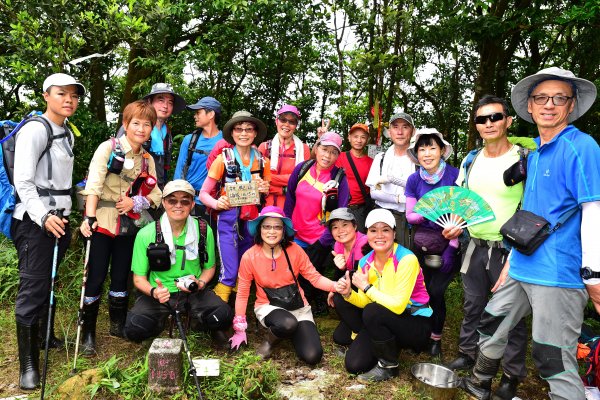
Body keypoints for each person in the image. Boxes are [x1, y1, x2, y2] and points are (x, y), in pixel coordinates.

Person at [461, 67, 600, 400]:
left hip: (558, 272)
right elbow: (531, 216)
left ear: (571, 105)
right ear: (531, 105)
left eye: (559, 98)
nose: (549, 104)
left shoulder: (582, 148)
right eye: (541, 97)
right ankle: (480, 382)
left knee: (552, 358)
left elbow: (593, 212)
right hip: (522, 264)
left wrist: (594, 277)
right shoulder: (535, 153)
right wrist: (511, 259)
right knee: (491, 325)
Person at [444, 95, 528, 400]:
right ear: (476, 125)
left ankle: (511, 373)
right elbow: (465, 201)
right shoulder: (471, 159)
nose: (489, 123)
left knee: (511, 314)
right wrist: (457, 224)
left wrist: (518, 252)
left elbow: (532, 205)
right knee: (473, 305)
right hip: (474, 244)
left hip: (509, 249)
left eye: (495, 117)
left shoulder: (524, 157)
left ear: (507, 120)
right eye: (482, 119)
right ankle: (468, 354)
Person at [12, 73, 85, 390]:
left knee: (49, 281)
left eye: (73, 95)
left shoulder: (66, 131)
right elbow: (24, 183)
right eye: (61, 94)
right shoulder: (35, 130)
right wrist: (42, 217)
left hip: (60, 218)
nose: (69, 99)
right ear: (46, 96)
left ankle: (45, 336)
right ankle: (27, 366)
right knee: (33, 287)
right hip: (35, 223)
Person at [79, 100, 163, 355]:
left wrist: (137, 201)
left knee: (120, 274)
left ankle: (117, 324)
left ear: (152, 129)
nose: (141, 128)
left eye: (147, 124)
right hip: (102, 221)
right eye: (136, 123)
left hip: (129, 225)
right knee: (94, 277)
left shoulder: (147, 159)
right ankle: (88, 333)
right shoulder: (108, 148)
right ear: (125, 124)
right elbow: (93, 185)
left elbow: (157, 195)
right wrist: (88, 218)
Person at [123, 180, 232, 344]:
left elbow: (210, 268)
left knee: (224, 315)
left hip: (193, 292)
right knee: (133, 329)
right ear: (164, 203)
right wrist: (154, 292)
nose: (178, 205)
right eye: (172, 200)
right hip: (160, 293)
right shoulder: (146, 234)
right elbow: (138, 279)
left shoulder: (203, 229)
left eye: (185, 201)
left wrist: (200, 283)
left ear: (192, 204)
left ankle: (198, 321)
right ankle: (160, 322)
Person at [229, 206, 338, 364]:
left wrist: (336, 286)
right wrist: (239, 326)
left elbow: (314, 278)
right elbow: (243, 292)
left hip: (298, 307)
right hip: (268, 306)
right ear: (260, 229)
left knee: (313, 356)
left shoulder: (296, 251)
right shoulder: (249, 256)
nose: (271, 231)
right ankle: (269, 341)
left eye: (277, 227)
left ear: (283, 231)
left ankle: (290, 332)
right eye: (267, 226)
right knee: (287, 323)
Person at [334, 208, 432, 382]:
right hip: (386, 318)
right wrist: (348, 293)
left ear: (394, 233)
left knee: (373, 311)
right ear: (367, 234)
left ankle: (389, 366)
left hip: (414, 322)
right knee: (354, 365)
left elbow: (398, 305)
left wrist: (366, 287)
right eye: (373, 230)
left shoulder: (406, 259)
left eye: (385, 230)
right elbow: (365, 301)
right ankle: (389, 344)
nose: (379, 235)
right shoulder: (365, 262)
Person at [199, 111, 271, 303]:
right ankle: (217, 310)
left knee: (244, 266)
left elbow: (266, 194)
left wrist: (265, 189)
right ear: (232, 133)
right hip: (228, 218)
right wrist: (217, 203)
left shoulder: (263, 161)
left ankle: (238, 310)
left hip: (252, 220)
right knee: (229, 268)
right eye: (239, 129)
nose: (244, 133)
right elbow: (203, 194)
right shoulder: (223, 159)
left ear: (255, 133)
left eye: (248, 129)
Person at [404, 128, 459, 358]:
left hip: (449, 244)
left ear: (442, 150)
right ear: (416, 153)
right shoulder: (414, 179)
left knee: (436, 292)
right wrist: (427, 212)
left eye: (432, 147)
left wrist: (453, 248)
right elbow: (410, 216)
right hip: (422, 243)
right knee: (420, 291)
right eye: (422, 149)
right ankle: (421, 335)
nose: (427, 153)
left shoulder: (456, 175)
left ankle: (436, 338)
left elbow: (462, 212)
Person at [284, 131, 349, 315]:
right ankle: (299, 301)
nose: (327, 156)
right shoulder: (302, 168)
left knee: (315, 270)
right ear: (316, 147)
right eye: (324, 149)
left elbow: (340, 214)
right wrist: (286, 228)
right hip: (296, 232)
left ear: (338, 155)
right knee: (295, 271)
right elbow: (290, 199)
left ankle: (318, 300)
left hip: (320, 236)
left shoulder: (340, 179)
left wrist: (324, 241)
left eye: (333, 152)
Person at [118, 83, 186, 188]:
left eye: (170, 102)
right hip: (130, 188)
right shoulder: (134, 128)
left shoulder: (167, 132)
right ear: (150, 101)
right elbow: (117, 157)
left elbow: (164, 165)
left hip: (155, 188)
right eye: (160, 100)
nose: (165, 106)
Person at [365, 112, 417, 247]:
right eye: (395, 127)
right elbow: (373, 192)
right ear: (389, 132)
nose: (400, 132)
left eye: (405, 127)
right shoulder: (380, 158)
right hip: (383, 214)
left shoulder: (418, 159)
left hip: (409, 217)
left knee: (406, 255)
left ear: (413, 131)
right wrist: (399, 198)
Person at [326, 208, 370, 353]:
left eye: (345, 225)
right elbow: (345, 274)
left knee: (339, 296)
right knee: (340, 337)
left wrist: (336, 285)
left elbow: (357, 275)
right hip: (356, 291)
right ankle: (362, 328)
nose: (340, 231)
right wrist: (339, 275)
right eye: (335, 227)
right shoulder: (338, 245)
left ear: (355, 226)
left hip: (370, 293)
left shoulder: (364, 244)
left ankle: (364, 337)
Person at [173, 96, 223, 220]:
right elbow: (179, 172)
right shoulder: (189, 140)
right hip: (189, 201)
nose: (195, 116)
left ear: (211, 114)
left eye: (198, 112)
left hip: (213, 203)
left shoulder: (225, 141)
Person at [258, 104, 310, 209]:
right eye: (283, 120)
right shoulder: (264, 147)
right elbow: (257, 178)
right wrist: (285, 187)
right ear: (276, 121)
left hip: (292, 207)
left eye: (292, 122)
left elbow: (301, 180)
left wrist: (269, 181)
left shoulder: (303, 149)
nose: (287, 124)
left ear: (296, 125)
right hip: (265, 206)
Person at [335, 123, 374, 232]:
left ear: (367, 140)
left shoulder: (371, 163)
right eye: (355, 136)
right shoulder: (339, 157)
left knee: (359, 243)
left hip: (360, 211)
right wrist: (320, 140)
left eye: (363, 137)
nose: (359, 140)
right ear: (349, 137)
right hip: (340, 207)